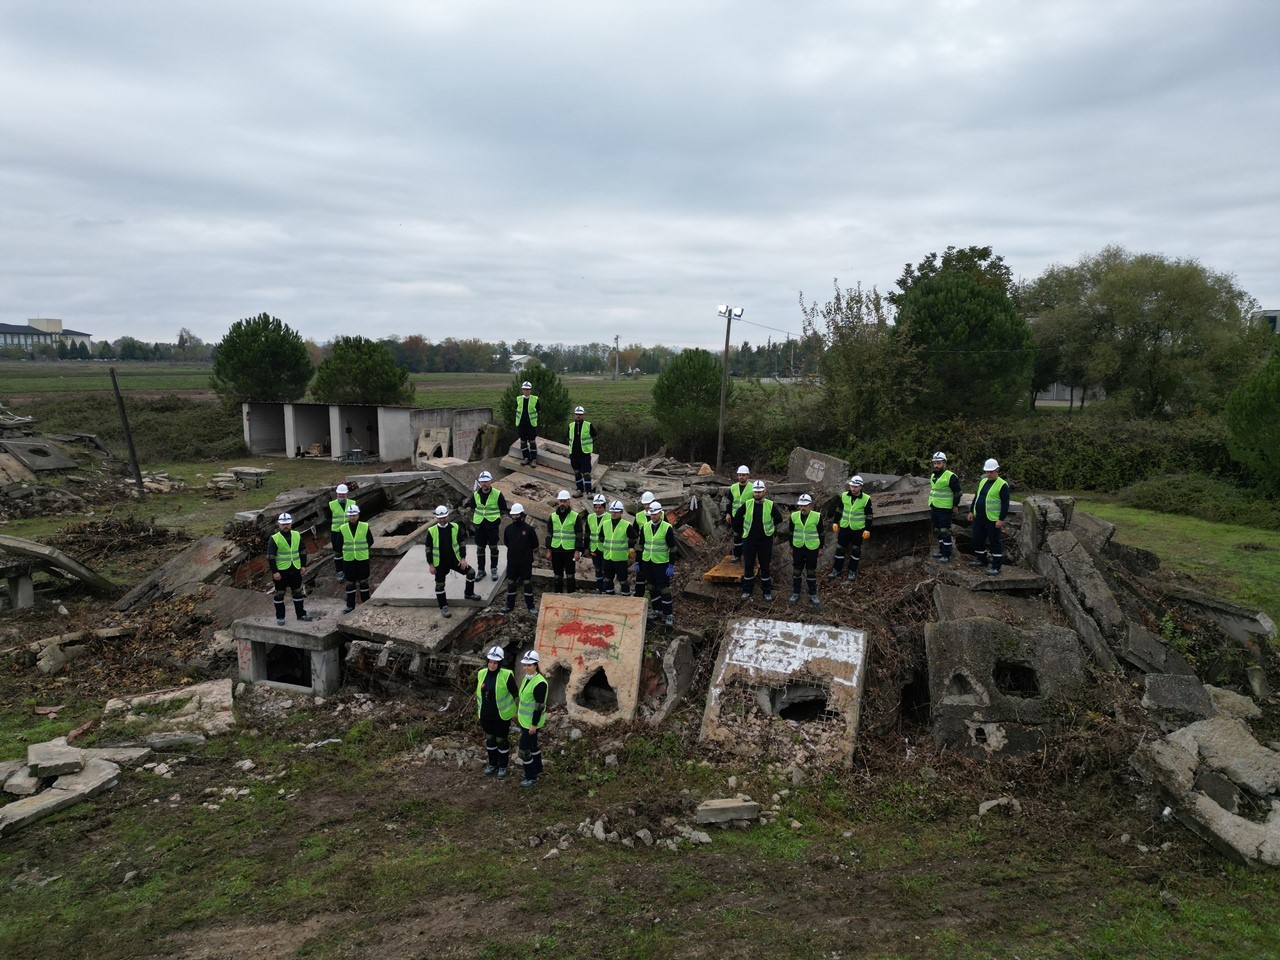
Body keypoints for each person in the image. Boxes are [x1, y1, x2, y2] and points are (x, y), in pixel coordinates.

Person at [735, 479, 784, 601]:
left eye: (760, 491)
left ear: (764, 491)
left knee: (765, 566)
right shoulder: (748, 504)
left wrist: (770, 529)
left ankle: (767, 591)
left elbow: (779, 518)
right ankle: (747, 590)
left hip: (765, 540)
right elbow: (737, 517)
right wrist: (742, 531)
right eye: (755, 492)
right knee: (749, 565)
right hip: (749, 540)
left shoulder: (770, 505)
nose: (757, 494)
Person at [475, 645, 519, 779]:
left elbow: (515, 693)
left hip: (501, 715)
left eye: (495, 662)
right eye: (490, 661)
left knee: (501, 740)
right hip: (485, 714)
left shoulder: (506, 675)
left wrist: (516, 712)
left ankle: (503, 766)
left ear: (500, 663)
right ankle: (492, 764)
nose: (492, 665)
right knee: (490, 739)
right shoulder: (481, 673)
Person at [426, 504, 477, 618]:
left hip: (455, 560)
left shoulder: (455, 527)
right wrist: (431, 565)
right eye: (440, 518)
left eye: (444, 517)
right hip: (439, 563)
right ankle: (443, 606)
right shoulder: (431, 531)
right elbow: (428, 549)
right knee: (440, 585)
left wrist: (463, 559)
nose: (442, 520)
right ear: (437, 518)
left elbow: (461, 543)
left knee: (471, 573)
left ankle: (469, 593)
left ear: (448, 516)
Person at [267, 512, 313, 625]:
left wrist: (303, 565)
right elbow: (270, 557)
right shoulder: (274, 538)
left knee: (297, 592)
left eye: (287, 523)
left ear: (291, 524)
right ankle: (280, 617)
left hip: (295, 569)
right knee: (280, 594)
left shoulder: (297, 535)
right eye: (283, 524)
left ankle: (301, 614)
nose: (285, 526)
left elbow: (302, 551)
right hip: (281, 571)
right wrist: (275, 572)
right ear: (279, 525)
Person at [968, 458, 1010, 576]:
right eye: (986, 471)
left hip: (992, 519)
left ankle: (996, 566)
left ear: (997, 470)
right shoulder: (983, 481)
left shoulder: (1002, 485)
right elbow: (977, 497)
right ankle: (982, 560)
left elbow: (1005, 504)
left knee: (994, 542)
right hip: (979, 517)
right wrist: (971, 511)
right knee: (977, 539)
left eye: (991, 472)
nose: (988, 474)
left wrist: (1001, 519)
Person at [827, 475, 873, 581]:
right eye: (852, 486)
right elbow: (839, 509)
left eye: (856, 487)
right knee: (839, 549)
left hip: (858, 529)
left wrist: (867, 529)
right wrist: (835, 522)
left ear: (861, 487)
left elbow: (869, 515)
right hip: (845, 527)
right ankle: (836, 570)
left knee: (856, 550)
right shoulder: (844, 495)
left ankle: (852, 571)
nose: (853, 488)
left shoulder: (866, 499)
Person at [637, 502, 677, 626]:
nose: (653, 516)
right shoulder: (645, 527)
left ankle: (668, 614)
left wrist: (671, 564)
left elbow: (673, 548)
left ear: (660, 513)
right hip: (647, 562)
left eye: (655, 514)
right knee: (651, 587)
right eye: (651, 514)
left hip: (661, 563)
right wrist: (638, 562)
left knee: (664, 589)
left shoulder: (666, 528)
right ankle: (657, 610)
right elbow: (640, 546)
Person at [517, 649, 549, 788]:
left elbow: (539, 706)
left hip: (532, 723)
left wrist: (534, 725)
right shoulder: (527, 678)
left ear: (536, 665)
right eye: (525, 665)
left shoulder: (539, 683)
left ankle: (531, 777)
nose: (526, 667)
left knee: (524, 750)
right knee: (533, 746)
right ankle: (538, 768)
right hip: (525, 720)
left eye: (529, 665)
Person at [469, 471, 507, 582]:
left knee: (493, 548)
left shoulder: (497, 494)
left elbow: (503, 509)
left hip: (492, 525)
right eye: (482, 482)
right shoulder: (476, 495)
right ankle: (481, 570)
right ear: (479, 483)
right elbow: (472, 508)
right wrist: (476, 521)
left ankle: (493, 569)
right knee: (480, 548)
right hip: (480, 526)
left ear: (490, 481)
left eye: (486, 481)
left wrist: (497, 519)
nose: (484, 484)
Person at [501, 503, 539, 614]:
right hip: (512, 561)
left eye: (517, 515)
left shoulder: (529, 529)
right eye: (513, 515)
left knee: (527, 583)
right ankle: (509, 606)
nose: (515, 517)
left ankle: (531, 606)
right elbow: (507, 542)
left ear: (522, 515)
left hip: (525, 562)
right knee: (511, 583)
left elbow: (535, 544)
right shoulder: (508, 529)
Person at [787, 494, 824, 607]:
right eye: (801, 505)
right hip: (798, 547)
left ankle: (813, 594)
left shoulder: (817, 516)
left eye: (805, 505)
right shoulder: (794, 516)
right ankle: (795, 593)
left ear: (810, 506)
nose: (803, 508)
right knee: (797, 570)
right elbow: (791, 532)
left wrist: (821, 547)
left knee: (811, 571)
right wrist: (791, 546)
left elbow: (821, 533)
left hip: (812, 547)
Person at [546, 489, 585, 593]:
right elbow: (549, 534)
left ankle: (571, 595)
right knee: (557, 575)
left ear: (569, 502)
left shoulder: (575, 516)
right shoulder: (553, 517)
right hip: (556, 550)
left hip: (569, 551)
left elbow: (579, 534)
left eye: (564, 501)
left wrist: (577, 551)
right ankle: (558, 594)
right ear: (558, 502)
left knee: (570, 575)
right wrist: (549, 550)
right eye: (561, 501)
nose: (562, 504)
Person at [928, 451, 963, 564]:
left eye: (938, 463)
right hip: (935, 506)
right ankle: (941, 550)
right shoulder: (933, 475)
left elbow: (958, 492)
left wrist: (955, 505)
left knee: (945, 531)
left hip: (945, 508)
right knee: (938, 530)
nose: (936, 465)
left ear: (944, 463)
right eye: (934, 463)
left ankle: (947, 554)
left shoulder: (950, 477)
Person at [340, 502, 374, 612]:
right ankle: (350, 606)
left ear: (358, 515)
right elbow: (338, 543)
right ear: (348, 516)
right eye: (350, 515)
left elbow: (370, 541)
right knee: (350, 584)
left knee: (364, 582)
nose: (352, 517)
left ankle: (365, 604)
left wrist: (362, 550)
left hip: (362, 559)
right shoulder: (343, 528)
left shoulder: (364, 526)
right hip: (349, 560)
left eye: (354, 515)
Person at [599, 499, 637, 595]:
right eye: (612, 511)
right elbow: (601, 537)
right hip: (607, 557)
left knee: (623, 581)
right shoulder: (605, 524)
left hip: (620, 558)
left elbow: (634, 538)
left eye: (616, 512)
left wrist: (629, 546)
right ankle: (610, 598)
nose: (614, 513)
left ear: (621, 512)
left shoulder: (626, 525)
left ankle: (625, 598)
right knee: (607, 580)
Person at [722, 465, 753, 562]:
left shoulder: (752, 487)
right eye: (739, 475)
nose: (741, 477)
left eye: (743, 475)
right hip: (736, 516)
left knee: (748, 537)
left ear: (748, 475)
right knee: (737, 536)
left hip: (748, 517)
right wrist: (728, 513)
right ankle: (737, 555)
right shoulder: (733, 487)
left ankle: (749, 556)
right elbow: (731, 502)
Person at [328, 483, 355, 581]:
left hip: (348, 531)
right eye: (339, 494)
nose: (341, 496)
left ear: (347, 494)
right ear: (337, 494)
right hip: (336, 532)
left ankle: (349, 571)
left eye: (343, 494)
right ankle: (340, 572)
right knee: (338, 553)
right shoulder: (331, 505)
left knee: (349, 551)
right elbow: (328, 517)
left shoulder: (352, 503)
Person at [568, 406, 597, 498]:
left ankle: (589, 492)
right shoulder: (571, 425)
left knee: (586, 473)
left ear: (583, 415)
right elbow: (568, 437)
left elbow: (595, 436)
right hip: (574, 454)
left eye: (580, 415)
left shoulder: (588, 425)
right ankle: (580, 490)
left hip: (584, 454)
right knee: (577, 472)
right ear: (574, 415)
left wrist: (589, 445)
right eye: (577, 414)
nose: (578, 416)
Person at [584, 493, 609, 592]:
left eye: (600, 507)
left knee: (605, 570)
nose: (598, 510)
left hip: (605, 549)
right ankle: (599, 588)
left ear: (604, 507)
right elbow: (587, 533)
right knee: (598, 570)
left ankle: (606, 590)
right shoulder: (590, 517)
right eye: (596, 507)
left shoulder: (609, 517)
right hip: (594, 548)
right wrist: (586, 547)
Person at [515, 380, 539, 466]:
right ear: (522, 390)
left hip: (531, 425)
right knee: (523, 442)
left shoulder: (535, 399)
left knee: (532, 442)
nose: (526, 391)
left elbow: (538, 410)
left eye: (528, 389)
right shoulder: (518, 399)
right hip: (521, 425)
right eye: (524, 389)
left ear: (530, 390)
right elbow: (516, 410)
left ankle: (534, 459)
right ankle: (526, 458)